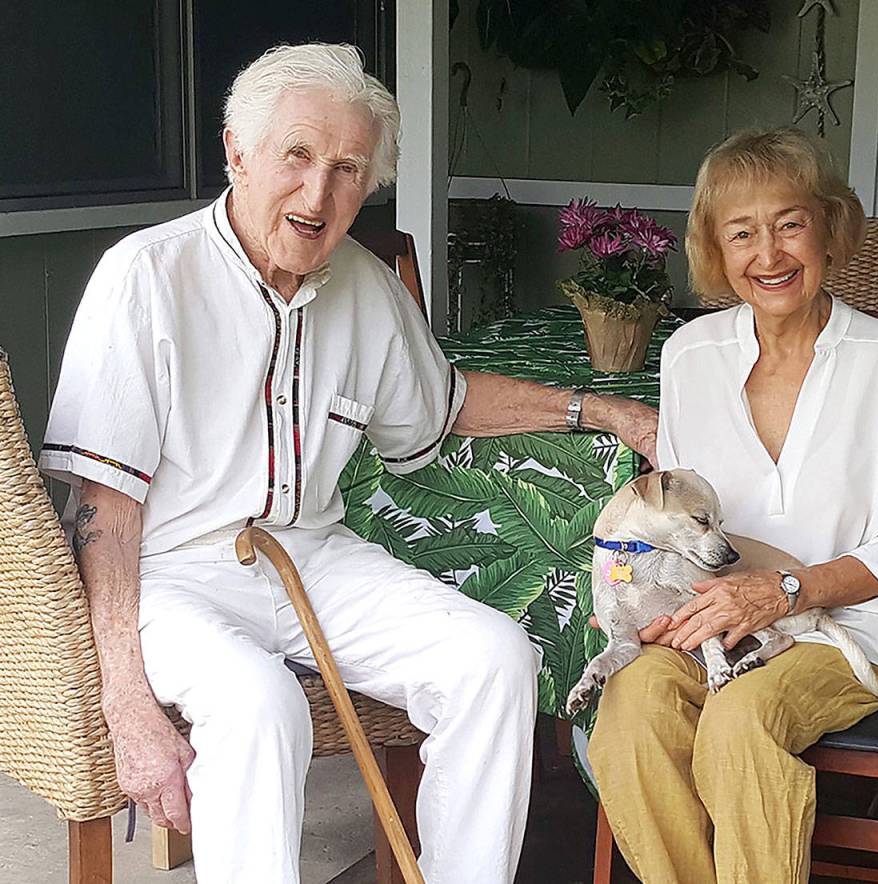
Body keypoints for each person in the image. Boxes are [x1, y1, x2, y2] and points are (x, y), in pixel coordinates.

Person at [40, 44, 658, 884]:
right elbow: (101, 509)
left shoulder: (365, 286)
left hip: (314, 558)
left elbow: (442, 404)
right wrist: (124, 702)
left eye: (348, 168)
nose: (318, 193)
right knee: (262, 706)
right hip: (170, 574)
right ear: (237, 151)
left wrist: (599, 409)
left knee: (495, 662)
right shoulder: (147, 277)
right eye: (297, 155)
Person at [587, 127, 878, 883]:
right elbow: (674, 526)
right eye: (742, 233)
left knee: (740, 725)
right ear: (716, 249)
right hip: (712, 619)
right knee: (630, 714)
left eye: (789, 225)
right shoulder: (690, 355)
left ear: (829, 229)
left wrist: (782, 591)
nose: (768, 255)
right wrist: (631, 594)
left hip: (845, 632)